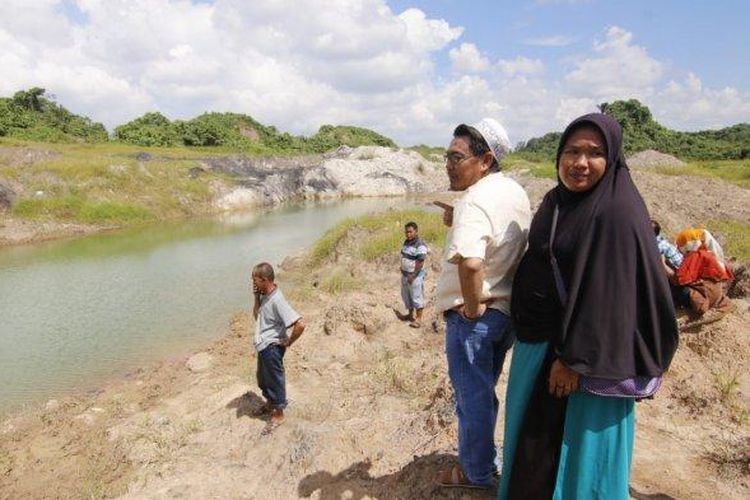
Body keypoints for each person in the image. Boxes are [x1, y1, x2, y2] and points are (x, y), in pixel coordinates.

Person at [499, 113, 679, 499]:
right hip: (545, 344)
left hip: (582, 359)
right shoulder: (557, 201)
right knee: (538, 449)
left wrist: (573, 360)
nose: (580, 162)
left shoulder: (617, 212)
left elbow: (611, 297)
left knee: (575, 458)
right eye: (572, 151)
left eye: (594, 153)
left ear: (612, 158)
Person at [433, 118, 531, 489]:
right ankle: (482, 460)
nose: (448, 164)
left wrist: (472, 309)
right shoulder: (513, 192)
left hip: (475, 318)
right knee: (482, 394)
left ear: (485, 160)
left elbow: (473, 262)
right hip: (504, 315)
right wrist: (457, 218)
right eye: (447, 156)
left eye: (456, 157)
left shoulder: (475, 200)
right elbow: (497, 240)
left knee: (472, 401)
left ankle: (475, 474)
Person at [251, 262, 305, 429]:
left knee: (275, 380)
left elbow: (300, 325)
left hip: (272, 347)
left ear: (265, 280)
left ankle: (279, 414)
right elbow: (257, 317)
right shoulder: (265, 295)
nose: (253, 283)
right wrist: (256, 297)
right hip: (263, 346)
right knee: (263, 379)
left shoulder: (277, 300)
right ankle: (269, 404)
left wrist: (288, 342)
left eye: (255, 280)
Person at [673, 228, 733, 317]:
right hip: (714, 295)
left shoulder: (696, 256)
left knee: (675, 288)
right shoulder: (707, 253)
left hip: (706, 298)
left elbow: (679, 279)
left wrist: (664, 265)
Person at [400, 221, 429, 328]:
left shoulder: (420, 244)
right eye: (406, 232)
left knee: (417, 296)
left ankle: (418, 319)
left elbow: (420, 262)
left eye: (410, 232)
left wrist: (413, 275)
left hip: (415, 276)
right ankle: (409, 314)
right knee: (406, 296)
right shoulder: (406, 242)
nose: (408, 234)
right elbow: (405, 256)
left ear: (416, 231)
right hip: (405, 275)